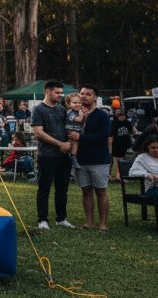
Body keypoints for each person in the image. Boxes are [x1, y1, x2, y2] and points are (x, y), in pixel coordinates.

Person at [32, 79, 74, 230]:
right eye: (57, 92)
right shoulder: (39, 109)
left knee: (62, 190)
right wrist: (59, 144)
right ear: (48, 92)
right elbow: (39, 133)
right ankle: (43, 220)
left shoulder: (62, 110)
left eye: (61, 93)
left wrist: (68, 143)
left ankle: (61, 218)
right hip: (47, 155)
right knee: (44, 189)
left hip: (63, 156)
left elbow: (69, 128)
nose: (60, 95)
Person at [68, 85, 111, 231]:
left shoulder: (102, 115)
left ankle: (103, 224)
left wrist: (80, 137)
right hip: (80, 160)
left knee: (101, 191)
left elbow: (103, 136)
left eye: (88, 94)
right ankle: (89, 222)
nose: (84, 96)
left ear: (95, 97)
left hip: (99, 159)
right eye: (82, 93)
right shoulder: (73, 114)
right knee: (86, 192)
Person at [128, 135, 158, 233]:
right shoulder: (142, 158)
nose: (156, 150)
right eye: (153, 147)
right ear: (147, 147)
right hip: (153, 188)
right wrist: (146, 174)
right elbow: (132, 172)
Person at [110, 108, 136, 180]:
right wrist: (111, 145)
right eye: (119, 115)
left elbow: (132, 132)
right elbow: (111, 135)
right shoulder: (113, 123)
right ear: (117, 116)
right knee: (117, 160)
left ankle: (126, 174)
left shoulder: (127, 122)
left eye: (123, 115)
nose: (121, 117)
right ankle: (118, 174)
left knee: (127, 160)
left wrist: (133, 126)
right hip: (116, 144)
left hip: (127, 144)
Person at [64, 93, 85, 168]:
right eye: (74, 103)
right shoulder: (70, 112)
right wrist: (82, 115)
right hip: (71, 130)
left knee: (75, 144)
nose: (77, 105)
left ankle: (73, 157)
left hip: (76, 130)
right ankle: (73, 159)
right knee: (75, 144)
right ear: (69, 104)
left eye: (79, 103)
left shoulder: (76, 111)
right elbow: (79, 120)